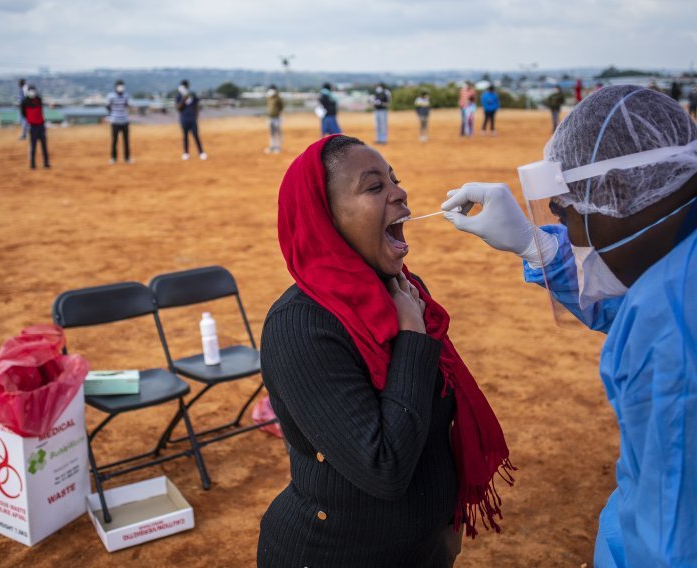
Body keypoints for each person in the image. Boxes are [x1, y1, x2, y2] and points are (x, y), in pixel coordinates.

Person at [441, 85, 697, 568]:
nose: (572, 235)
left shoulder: (672, 328)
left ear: (619, 195)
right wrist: (535, 245)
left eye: (568, 213)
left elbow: (671, 543)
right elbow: (624, 305)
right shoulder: (677, 272)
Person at [257, 134, 516, 567]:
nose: (400, 193)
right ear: (327, 219)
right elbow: (383, 467)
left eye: (395, 181)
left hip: (425, 546)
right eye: (374, 187)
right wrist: (412, 340)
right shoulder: (300, 326)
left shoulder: (405, 292)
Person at [175, 80, 207, 160]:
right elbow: (178, 108)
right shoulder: (179, 96)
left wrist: (196, 115)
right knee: (185, 136)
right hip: (184, 119)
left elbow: (196, 105)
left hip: (192, 119)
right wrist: (183, 100)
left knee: (196, 135)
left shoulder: (192, 95)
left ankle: (201, 152)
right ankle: (186, 153)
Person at [21, 84, 50, 169]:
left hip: (41, 125)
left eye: (33, 90)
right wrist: (30, 120)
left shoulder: (38, 99)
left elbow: (41, 111)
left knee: (44, 145)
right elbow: (24, 114)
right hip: (33, 126)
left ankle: (46, 163)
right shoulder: (25, 102)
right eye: (31, 90)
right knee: (33, 146)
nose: (32, 92)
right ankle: (32, 164)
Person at [106, 79, 132, 164]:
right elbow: (108, 106)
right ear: (116, 87)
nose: (120, 88)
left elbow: (128, 106)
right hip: (115, 121)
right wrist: (111, 115)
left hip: (125, 121)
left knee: (126, 141)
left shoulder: (126, 96)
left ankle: (127, 158)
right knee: (114, 140)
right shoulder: (111, 96)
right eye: (119, 86)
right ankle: (113, 158)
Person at [265, 84, 284, 154]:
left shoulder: (278, 97)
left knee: (278, 133)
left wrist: (278, 113)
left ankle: (278, 147)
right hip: (270, 117)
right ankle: (272, 147)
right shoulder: (268, 97)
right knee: (271, 133)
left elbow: (281, 106)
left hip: (277, 118)